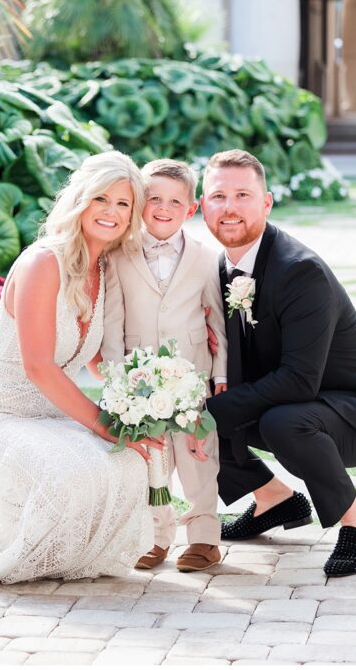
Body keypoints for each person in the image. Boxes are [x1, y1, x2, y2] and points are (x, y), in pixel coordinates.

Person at [0, 151, 163, 584]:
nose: (111, 212)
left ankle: (66, 556)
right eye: (101, 199)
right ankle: (32, 554)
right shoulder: (43, 262)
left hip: (50, 416)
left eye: (123, 204)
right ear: (80, 199)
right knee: (72, 471)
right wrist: (105, 425)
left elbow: (98, 361)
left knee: (129, 462)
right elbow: (39, 367)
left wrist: (145, 402)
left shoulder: (105, 267)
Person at [200, 149, 356, 577]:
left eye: (243, 194)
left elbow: (298, 381)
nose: (230, 207)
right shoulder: (221, 266)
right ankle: (274, 497)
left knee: (273, 420)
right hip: (293, 403)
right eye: (218, 196)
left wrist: (210, 412)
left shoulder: (299, 270)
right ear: (202, 206)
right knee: (189, 408)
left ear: (267, 202)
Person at [102, 158, 229, 573]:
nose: (163, 207)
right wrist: (116, 378)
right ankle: (155, 537)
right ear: (140, 203)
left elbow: (216, 321)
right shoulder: (119, 257)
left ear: (190, 209)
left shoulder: (207, 258)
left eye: (175, 201)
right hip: (139, 382)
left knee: (197, 456)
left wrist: (220, 373)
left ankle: (205, 538)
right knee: (150, 460)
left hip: (191, 375)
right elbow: (113, 321)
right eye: (154, 198)